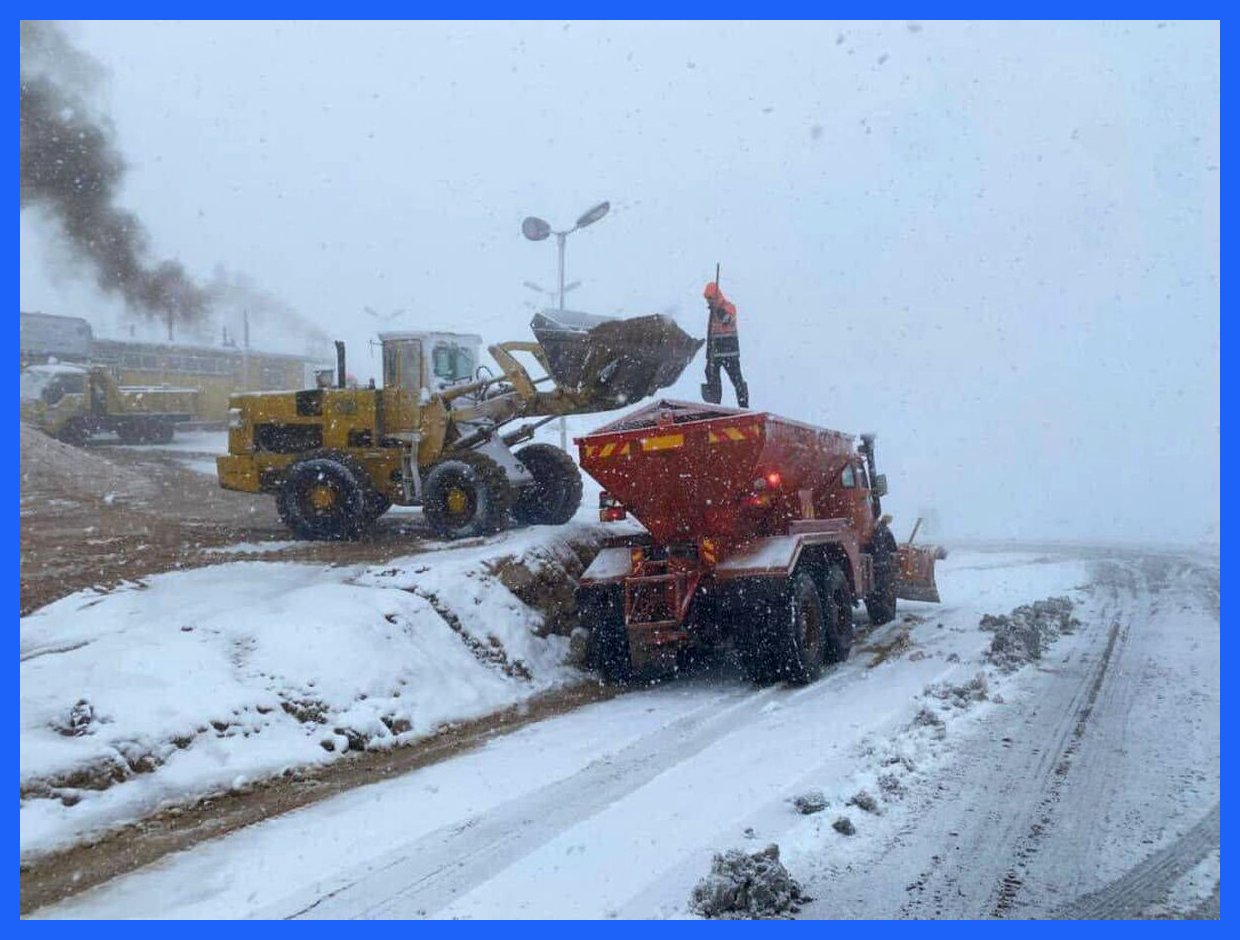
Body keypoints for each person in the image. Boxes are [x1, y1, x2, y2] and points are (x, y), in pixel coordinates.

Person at [701, 280, 749, 408]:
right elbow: (711, 335)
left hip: (729, 353)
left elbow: (727, 320)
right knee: (713, 380)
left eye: (710, 298)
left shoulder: (729, 307)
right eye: (707, 299)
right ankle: (715, 407)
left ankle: (744, 405)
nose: (708, 301)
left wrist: (718, 310)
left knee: (737, 380)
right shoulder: (712, 313)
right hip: (715, 354)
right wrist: (708, 356)